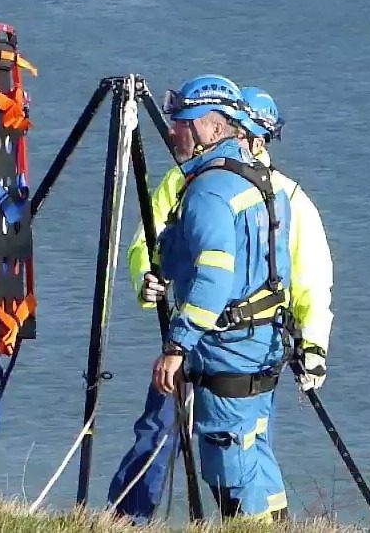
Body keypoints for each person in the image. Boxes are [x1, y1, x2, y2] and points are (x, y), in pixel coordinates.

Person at [110, 74, 329, 521]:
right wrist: (147, 279)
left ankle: (147, 520)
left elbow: (224, 276)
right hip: (253, 344)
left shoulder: (211, 189)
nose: (173, 131)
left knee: (230, 458)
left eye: (182, 122)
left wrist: (177, 345)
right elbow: (150, 242)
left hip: (217, 345)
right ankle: (133, 519)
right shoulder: (263, 188)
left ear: (215, 127)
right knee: (250, 450)